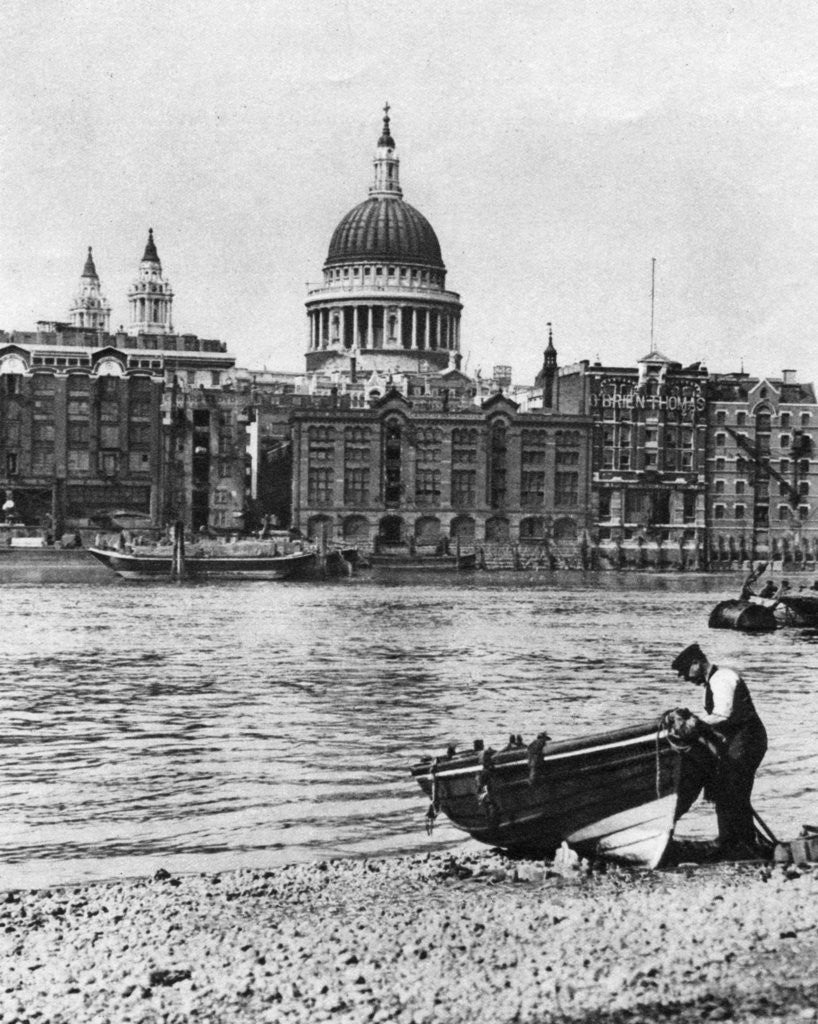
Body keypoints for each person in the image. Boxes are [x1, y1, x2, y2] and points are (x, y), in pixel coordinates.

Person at [670, 642, 768, 857]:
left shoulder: (723, 678)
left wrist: (695, 722)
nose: (685, 678)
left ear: (697, 663)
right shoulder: (710, 684)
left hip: (747, 740)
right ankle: (734, 840)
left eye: (685, 671)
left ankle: (738, 844)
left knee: (733, 791)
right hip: (735, 741)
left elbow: (724, 715)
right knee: (726, 790)